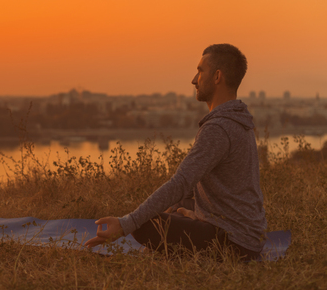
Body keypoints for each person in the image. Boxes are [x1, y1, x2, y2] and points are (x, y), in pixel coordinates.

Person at [84, 44, 267, 260]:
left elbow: (180, 182)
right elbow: (190, 188)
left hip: (235, 244)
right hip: (248, 236)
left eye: (200, 71)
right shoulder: (238, 119)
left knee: (145, 225)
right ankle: (193, 221)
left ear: (217, 77)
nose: (194, 79)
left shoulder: (218, 128)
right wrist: (189, 211)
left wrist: (126, 224)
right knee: (178, 204)